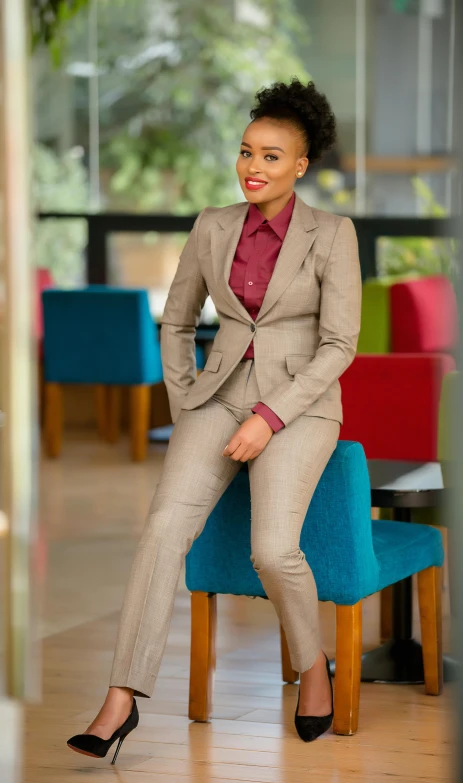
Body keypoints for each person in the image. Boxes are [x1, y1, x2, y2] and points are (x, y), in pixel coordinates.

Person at [67, 77, 361, 759]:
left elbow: (339, 345)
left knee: (272, 549)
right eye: (246, 151)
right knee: (164, 527)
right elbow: (175, 320)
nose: (253, 168)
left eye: (270, 156)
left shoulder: (332, 234)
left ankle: (313, 665)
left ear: (299, 166)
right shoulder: (213, 225)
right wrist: (186, 399)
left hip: (301, 404)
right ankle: (121, 696)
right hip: (217, 393)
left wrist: (269, 415)